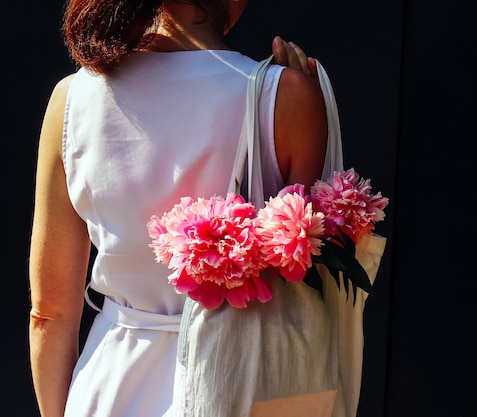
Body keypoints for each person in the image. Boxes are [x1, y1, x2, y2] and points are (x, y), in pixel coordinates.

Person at [28, 0, 328, 416]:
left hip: (108, 386)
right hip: (238, 386)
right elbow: (298, 283)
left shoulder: (71, 100)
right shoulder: (285, 98)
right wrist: (298, 93)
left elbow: (49, 313)